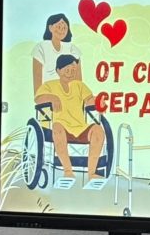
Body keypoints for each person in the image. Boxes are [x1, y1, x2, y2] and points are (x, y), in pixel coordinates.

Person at [35, 54, 104, 184]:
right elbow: (38, 99)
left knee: (98, 130)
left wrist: (98, 101)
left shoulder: (79, 86)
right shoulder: (50, 85)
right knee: (57, 127)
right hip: (61, 127)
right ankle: (68, 171)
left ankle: (92, 173)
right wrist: (52, 97)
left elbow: (89, 100)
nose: (70, 73)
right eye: (67, 69)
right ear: (58, 70)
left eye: (73, 70)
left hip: (81, 127)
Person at [32, 13, 81, 95]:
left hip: (71, 96)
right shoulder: (41, 48)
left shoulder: (72, 49)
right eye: (59, 27)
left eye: (64, 28)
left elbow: (79, 82)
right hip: (48, 96)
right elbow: (37, 89)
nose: (61, 30)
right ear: (50, 28)